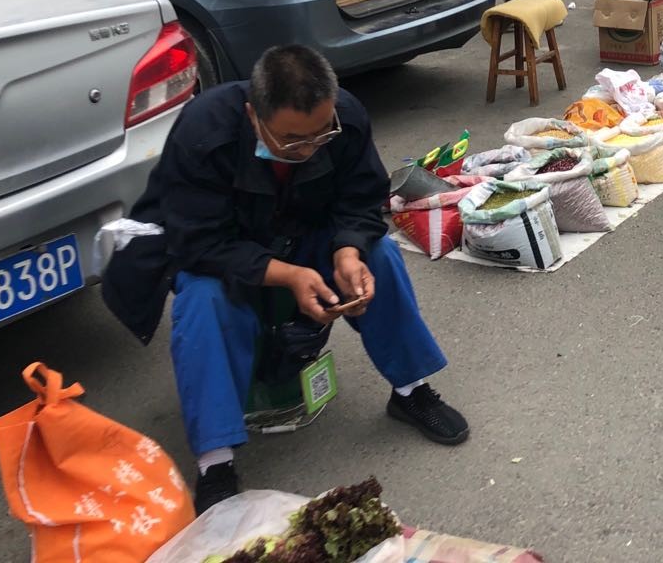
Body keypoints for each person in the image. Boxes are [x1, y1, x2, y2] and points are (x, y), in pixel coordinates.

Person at [103, 45, 469, 513]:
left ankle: (410, 391)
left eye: (322, 134)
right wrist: (288, 275)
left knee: (380, 256)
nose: (311, 148)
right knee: (202, 297)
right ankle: (215, 461)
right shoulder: (203, 129)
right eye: (293, 141)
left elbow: (362, 198)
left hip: (305, 235)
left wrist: (348, 250)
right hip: (227, 248)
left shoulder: (345, 117)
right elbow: (195, 241)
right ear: (253, 115)